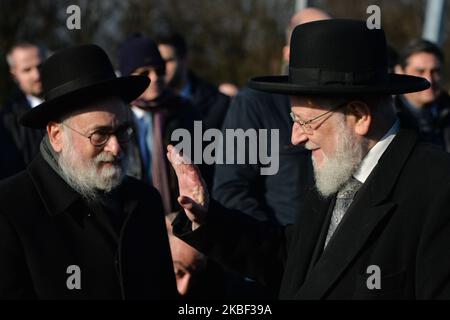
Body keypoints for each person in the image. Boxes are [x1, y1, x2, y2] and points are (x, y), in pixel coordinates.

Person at [168, 19, 450, 299]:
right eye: (293, 120)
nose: (296, 138)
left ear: (360, 117)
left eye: (306, 122)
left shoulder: (437, 189)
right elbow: (294, 263)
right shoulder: (340, 169)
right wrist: (208, 218)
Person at [0, 44, 177, 299]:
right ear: (57, 135)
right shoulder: (10, 210)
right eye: (100, 135)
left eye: (123, 132)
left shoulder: (144, 201)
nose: (116, 148)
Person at [213, 7, 329, 226]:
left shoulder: (351, 105)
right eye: (314, 40)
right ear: (288, 52)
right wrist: (275, 247)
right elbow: (230, 188)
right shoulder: (254, 103)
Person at [118, 34, 202, 214]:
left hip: (179, 217)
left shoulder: (186, 113)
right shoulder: (116, 119)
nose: (155, 78)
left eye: (159, 70)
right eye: (144, 73)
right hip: (132, 218)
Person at [155, 32, 230, 130]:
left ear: (184, 59)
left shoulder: (217, 102)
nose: (163, 67)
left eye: (168, 61)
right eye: (159, 62)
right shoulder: (147, 105)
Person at [0, 42, 47, 179]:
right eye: (27, 70)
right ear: (14, 74)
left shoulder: (71, 104)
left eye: (40, 66)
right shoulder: (7, 122)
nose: (36, 75)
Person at [395, 39, 450, 152]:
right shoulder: (386, 118)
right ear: (400, 71)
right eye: (420, 71)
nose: (429, 80)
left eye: (435, 71)